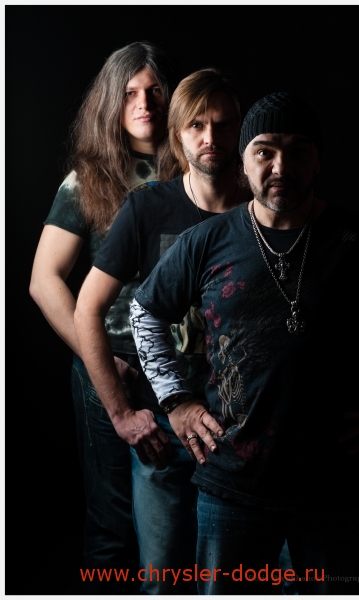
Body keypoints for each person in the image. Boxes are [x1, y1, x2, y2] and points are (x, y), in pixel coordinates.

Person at [130, 91, 359, 595]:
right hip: (233, 485)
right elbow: (144, 313)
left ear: (318, 160)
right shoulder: (207, 241)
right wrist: (177, 401)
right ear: (244, 161)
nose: (281, 166)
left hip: (335, 489)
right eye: (265, 151)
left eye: (298, 151)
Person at [73, 68, 251, 594]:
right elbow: (86, 309)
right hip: (164, 437)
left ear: (241, 131)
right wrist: (122, 415)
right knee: (165, 582)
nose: (211, 137)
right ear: (177, 135)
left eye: (223, 124)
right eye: (197, 125)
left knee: (236, 584)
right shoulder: (148, 207)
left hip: (240, 435)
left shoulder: (259, 208)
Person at [29, 41, 177, 593]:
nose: (144, 104)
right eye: (130, 93)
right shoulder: (87, 179)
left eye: (155, 91)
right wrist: (100, 363)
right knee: (113, 526)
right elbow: (44, 280)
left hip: (184, 372)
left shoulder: (194, 169)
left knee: (177, 523)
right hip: (111, 370)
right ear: (110, 102)